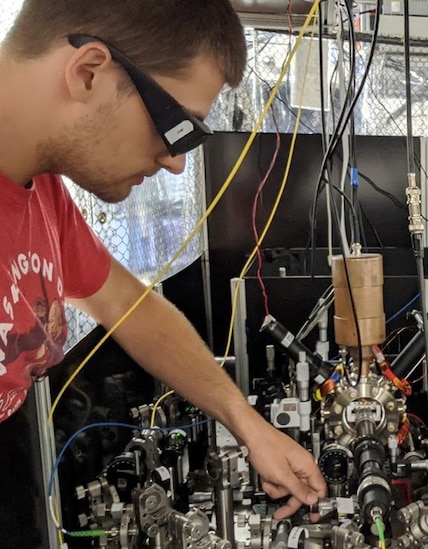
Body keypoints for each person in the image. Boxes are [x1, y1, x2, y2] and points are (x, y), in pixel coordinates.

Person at [0, 0, 326, 523]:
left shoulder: (42, 194)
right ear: (89, 72)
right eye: (177, 127)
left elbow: (130, 307)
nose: (176, 163)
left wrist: (249, 424)